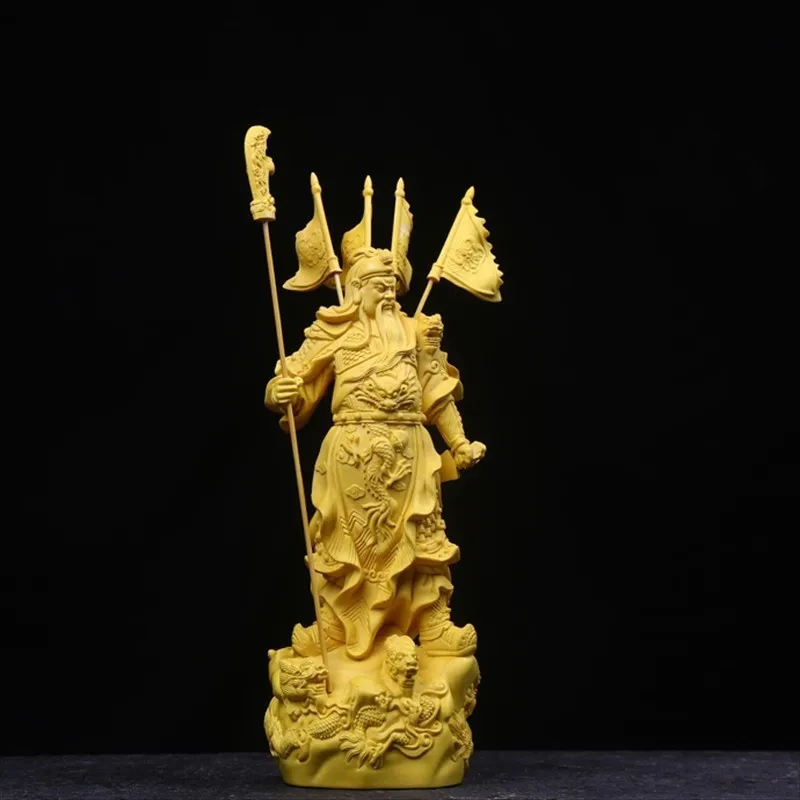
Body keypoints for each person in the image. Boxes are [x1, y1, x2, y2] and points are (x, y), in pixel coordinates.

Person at [265, 246, 485, 661]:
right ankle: (334, 625)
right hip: (351, 456)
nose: (388, 295)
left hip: (412, 451)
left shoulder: (414, 332)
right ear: (356, 288)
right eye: (379, 286)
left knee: (424, 538)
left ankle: (435, 624)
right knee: (342, 543)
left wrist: (459, 443)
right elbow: (294, 383)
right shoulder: (334, 331)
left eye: (393, 287)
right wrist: (280, 393)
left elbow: (436, 393)